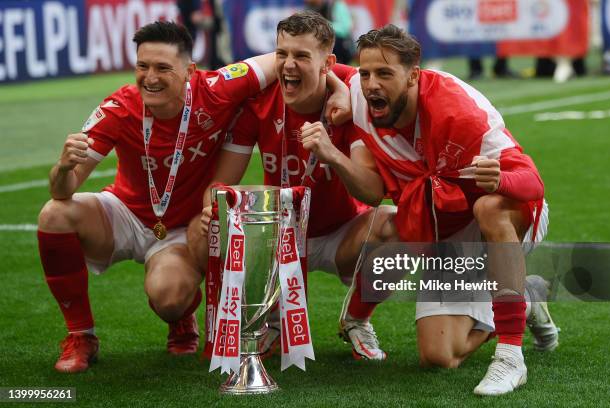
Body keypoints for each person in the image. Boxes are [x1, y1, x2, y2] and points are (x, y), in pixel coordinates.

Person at [36, 20, 357, 374]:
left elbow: (297, 60)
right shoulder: (119, 106)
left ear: (189, 71)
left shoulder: (219, 89)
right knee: (54, 213)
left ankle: (182, 319)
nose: (150, 78)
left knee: (170, 298)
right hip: (125, 214)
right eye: (142, 66)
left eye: (162, 68)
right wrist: (64, 168)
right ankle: (81, 334)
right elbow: (61, 190)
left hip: (179, 232)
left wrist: (339, 85)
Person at [335, 24, 558, 395]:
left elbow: (533, 183)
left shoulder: (460, 112)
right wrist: (336, 90)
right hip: (449, 231)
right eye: (365, 73)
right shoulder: (359, 92)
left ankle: (510, 356)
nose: (371, 83)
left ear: (414, 76)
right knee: (438, 356)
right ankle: (527, 297)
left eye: (385, 74)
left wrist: (500, 179)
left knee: (489, 207)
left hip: (507, 218)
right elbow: (323, 69)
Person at [197, 11, 396, 361]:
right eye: (282, 54)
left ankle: (356, 319)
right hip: (280, 232)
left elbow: (373, 191)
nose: (289, 65)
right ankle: (268, 319)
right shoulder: (256, 103)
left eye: (302, 56)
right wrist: (210, 207)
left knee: (397, 223)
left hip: (341, 232)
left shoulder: (354, 95)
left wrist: (331, 154)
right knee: (205, 231)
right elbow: (221, 183)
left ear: (327, 63)